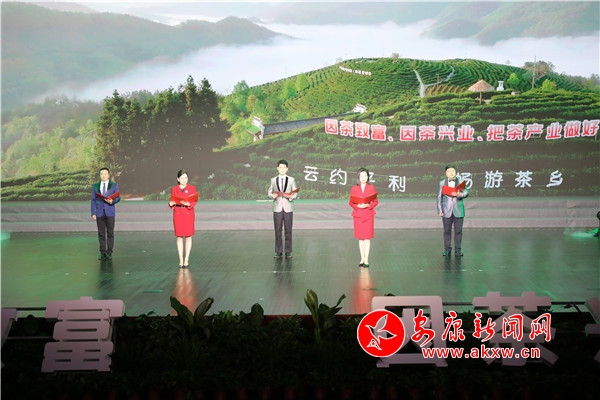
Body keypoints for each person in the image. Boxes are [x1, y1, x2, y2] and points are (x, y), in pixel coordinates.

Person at [267, 159, 298, 258]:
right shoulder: (273, 180)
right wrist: (272, 195)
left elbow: (295, 193)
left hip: (288, 207)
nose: (282, 169)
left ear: (287, 169)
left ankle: (288, 251)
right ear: (277, 168)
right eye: (280, 167)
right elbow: (269, 192)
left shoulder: (291, 180)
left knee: (288, 230)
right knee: (278, 230)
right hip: (277, 208)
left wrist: (291, 197)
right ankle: (278, 251)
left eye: (284, 168)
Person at [437, 164, 469, 256]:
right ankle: (447, 249)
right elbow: (439, 197)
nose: (451, 173)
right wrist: (439, 210)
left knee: (458, 231)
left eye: (452, 171)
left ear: (455, 172)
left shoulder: (461, 181)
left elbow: (466, 192)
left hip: (458, 210)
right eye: (449, 171)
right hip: (446, 210)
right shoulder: (442, 183)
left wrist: (459, 194)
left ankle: (458, 250)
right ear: (446, 173)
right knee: (447, 231)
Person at [349, 168, 378, 267]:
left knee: (367, 238)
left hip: (368, 214)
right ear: (358, 177)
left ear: (368, 177)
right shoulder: (354, 188)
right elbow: (351, 202)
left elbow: (376, 202)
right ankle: (362, 258)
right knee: (360, 239)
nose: (363, 178)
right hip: (358, 215)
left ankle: (366, 259)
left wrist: (368, 205)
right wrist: (358, 206)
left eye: (365, 176)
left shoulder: (371, 188)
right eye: (361, 176)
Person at [169, 170, 198, 268]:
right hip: (178, 213)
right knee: (179, 237)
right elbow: (172, 201)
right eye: (182, 178)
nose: (184, 180)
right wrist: (171, 203)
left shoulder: (192, 188)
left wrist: (189, 204)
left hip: (188, 213)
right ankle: (181, 259)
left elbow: (195, 200)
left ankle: (186, 259)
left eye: (185, 178)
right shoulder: (174, 189)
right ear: (178, 179)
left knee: (188, 236)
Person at [91, 167, 121, 260]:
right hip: (99, 212)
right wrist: (93, 213)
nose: (103, 175)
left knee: (110, 233)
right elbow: (93, 200)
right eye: (101, 174)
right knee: (101, 233)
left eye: (105, 174)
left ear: (108, 175)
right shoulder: (95, 186)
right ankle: (102, 252)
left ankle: (109, 252)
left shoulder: (114, 185)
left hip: (110, 212)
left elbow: (118, 198)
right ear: (100, 175)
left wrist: (112, 201)